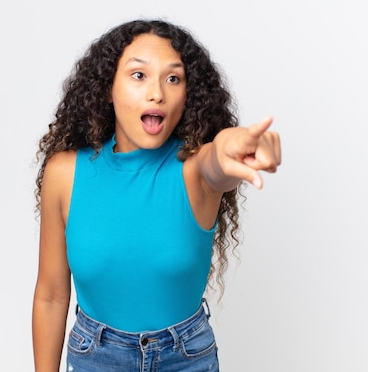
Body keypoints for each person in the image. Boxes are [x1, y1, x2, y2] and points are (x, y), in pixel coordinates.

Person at [32, 19, 281, 372]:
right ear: (108, 88)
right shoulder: (65, 174)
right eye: (139, 76)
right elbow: (51, 295)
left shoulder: (196, 171)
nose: (157, 93)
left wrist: (240, 145)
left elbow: (217, 159)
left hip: (185, 358)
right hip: (96, 358)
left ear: (187, 95)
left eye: (173, 78)